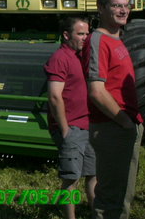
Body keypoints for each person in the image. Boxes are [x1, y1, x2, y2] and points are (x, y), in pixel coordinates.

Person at [82, 0, 143, 219]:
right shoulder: (98, 40)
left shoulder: (116, 39)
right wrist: (125, 122)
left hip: (123, 126)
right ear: (101, 8)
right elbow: (96, 91)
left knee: (122, 194)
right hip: (112, 127)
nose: (123, 10)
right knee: (110, 199)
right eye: (116, 5)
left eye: (126, 5)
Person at [45, 16, 96, 219]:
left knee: (93, 175)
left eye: (87, 33)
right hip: (72, 128)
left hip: (87, 125)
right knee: (71, 179)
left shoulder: (81, 56)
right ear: (66, 35)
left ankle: (97, 214)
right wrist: (65, 129)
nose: (85, 38)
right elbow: (55, 96)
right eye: (80, 34)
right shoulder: (60, 58)